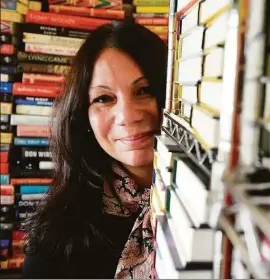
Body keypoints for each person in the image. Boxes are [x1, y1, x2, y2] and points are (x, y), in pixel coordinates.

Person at [21, 21, 168, 279]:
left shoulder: (220, 203)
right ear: (83, 117)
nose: (128, 116)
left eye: (144, 90)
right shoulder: (54, 236)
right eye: (104, 98)